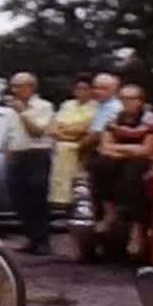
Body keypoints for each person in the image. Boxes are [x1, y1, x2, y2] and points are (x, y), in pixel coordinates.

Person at [91, 85, 153, 256]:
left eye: (132, 99)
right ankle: (110, 214)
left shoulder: (150, 120)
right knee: (99, 164)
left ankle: (137, 230)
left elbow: (147, 150)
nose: (127, 103)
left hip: (142, 163)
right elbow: (104, 147)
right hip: (119, 161)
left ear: (141, 101)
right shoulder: (114, 119)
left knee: (135, 172)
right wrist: (128, 150)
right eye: (124, 99)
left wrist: (119, 149)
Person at [2, 72, 55, 255]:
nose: (14, 90)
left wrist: (23, 112)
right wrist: (7, 158)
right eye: (13, 86)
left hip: (36, 155)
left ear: (31, 87)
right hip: (17, 156)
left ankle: (42, 240)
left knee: (37, 200)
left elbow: (38, 132)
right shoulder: (10, 110)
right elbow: (9, 136)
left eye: (19, 86)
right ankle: (31, 237)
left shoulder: (44, 107)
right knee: (19, 200)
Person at [48, 75, 98, 207]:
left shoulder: (96, 107)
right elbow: (53, 128)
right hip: (61, 148)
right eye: (79, 89)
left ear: (92, 90)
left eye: (85, 89)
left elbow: (84, 128)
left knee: (78, 186)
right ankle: (61, 205)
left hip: (81, 150)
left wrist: (68, 130)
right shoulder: (67, 105)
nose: (82, 92)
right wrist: (68, 134)